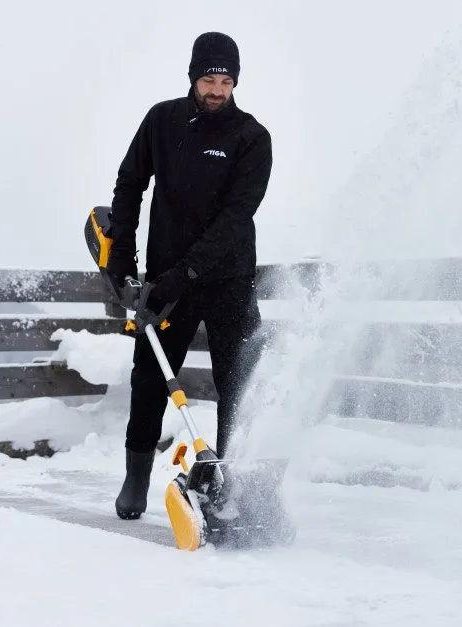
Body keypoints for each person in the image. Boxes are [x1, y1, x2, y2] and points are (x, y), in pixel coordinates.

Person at [105, 32, 272, 520]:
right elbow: (129, 184)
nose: (217, 89)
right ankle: (136, 476)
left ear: (235, 82)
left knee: (237, 380)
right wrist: (121, 260)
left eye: (225, 80)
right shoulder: (162, 121)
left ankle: (230, 481)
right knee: (150, 378)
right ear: (193, 77)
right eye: (208, 78)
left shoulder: (252, 138)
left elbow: (235, 218)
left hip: (228, 280)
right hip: (164, 281)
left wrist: (188, 272)